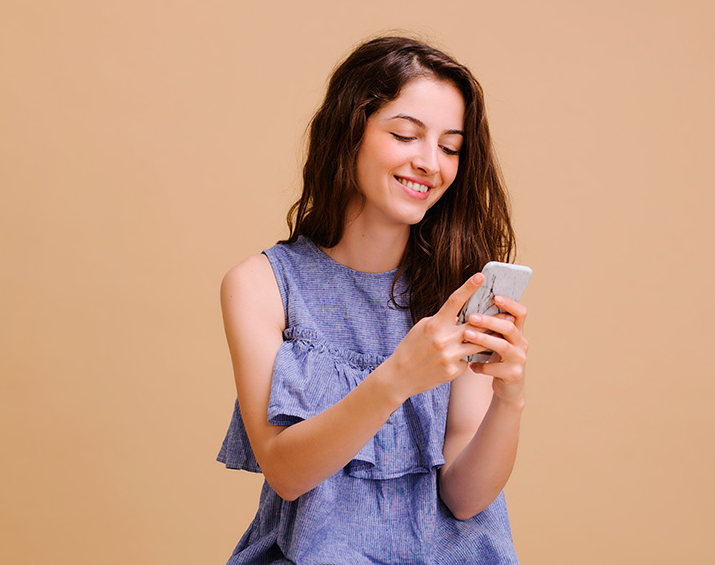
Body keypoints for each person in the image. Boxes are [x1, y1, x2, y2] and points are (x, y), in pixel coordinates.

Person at [217, 35, 529, 564]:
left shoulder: (463, 290)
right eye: (407, 135)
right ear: (349, 134)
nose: (431, 163)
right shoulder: (261, 285)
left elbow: (466, 497)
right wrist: (397, 378)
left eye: (450, 147)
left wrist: (510, 399)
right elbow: (286, 472)